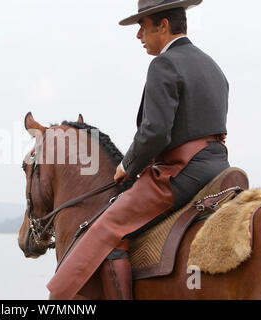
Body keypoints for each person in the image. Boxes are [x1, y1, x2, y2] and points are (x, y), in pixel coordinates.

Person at [47, 0, 230, 300]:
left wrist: (127, 165)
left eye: (143, 26)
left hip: (182, 174)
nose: (138, 36)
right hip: (220, 169)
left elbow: (156, 131)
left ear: (164, 25)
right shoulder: (213, 66)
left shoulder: (164, 64)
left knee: (106, 231)